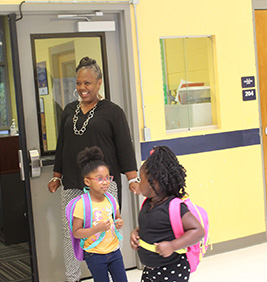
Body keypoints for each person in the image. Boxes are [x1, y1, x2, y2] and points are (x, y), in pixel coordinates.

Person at [48, 56, 139, 282]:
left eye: (87, 83)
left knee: (106, 228)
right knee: (71, 232)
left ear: (99, 83)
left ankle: (111, 274)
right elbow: (62, 145)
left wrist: (132, 179)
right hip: (72, 182)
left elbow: (125, 148)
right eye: (78, 83)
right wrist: (56, 176)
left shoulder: (113, 112)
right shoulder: (69, 110)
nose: (82, 88)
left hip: (103, 183)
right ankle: (73, 278)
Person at [130, 146, 205, 282]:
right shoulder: (147, 204)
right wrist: (136, 232)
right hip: (150, 268)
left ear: (155, 183)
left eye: (141, 180)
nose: (138, 184)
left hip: (172, 269)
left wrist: (172, 246)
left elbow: (198, 231)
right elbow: (150, 226)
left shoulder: (174, 207)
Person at [72, 146, 127, 282]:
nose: (106, 182)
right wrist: (98, 229)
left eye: (108, 178)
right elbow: (76, 232)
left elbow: (118, 218)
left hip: (114, 251)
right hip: (94, 254)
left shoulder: (111, 200)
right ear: (87, 181)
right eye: (100, 179)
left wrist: (119, 222)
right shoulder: (82, 205)